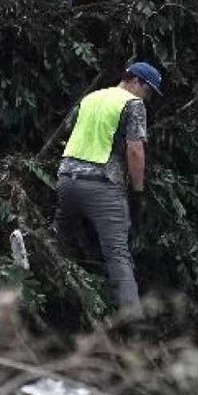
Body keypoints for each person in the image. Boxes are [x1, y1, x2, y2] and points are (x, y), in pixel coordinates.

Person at [54, 61, 163, 315]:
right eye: (148, 91)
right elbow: (135, 150)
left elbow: (70, 129)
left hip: (66, 179)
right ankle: (134, 324)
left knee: (61, 238)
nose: (147, 98)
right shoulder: (132, 104)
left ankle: (52, 294)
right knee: (117, 255)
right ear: (136, 82)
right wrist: (138, 191)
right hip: (101, 187)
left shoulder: (91, 97)